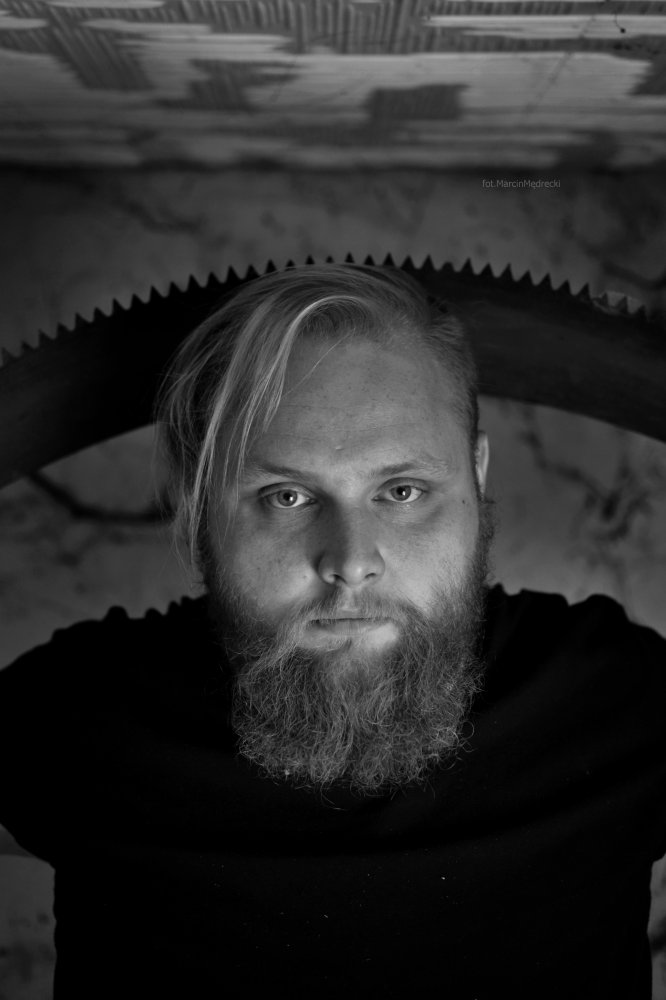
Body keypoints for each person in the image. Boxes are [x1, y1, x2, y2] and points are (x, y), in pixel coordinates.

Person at [0, 263, 664, 1000]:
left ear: (476, 476)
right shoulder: (80, 716)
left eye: (402, 490)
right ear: (198, 502)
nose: (350, 562)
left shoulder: (616, 699)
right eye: (286, 496)